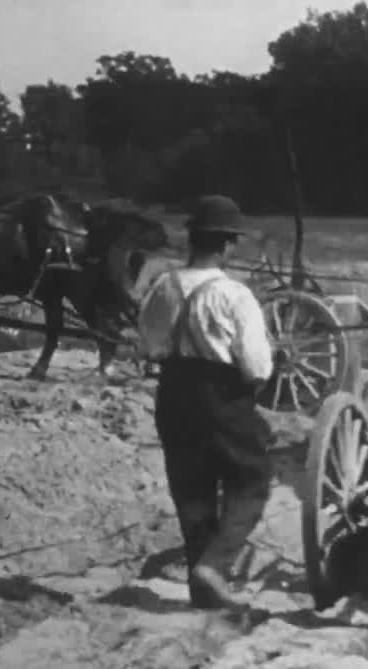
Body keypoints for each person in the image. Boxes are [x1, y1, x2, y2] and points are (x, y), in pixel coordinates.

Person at [136, 194, 275, 616]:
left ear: (193, 239)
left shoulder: (164, 286)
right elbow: (256, 365)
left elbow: (148, 343)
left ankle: (204, 591)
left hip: (173, 393)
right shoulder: (234, 295)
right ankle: (214, 567)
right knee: (252, 476)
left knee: (191, 488)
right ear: (228, 244)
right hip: (220, 394)